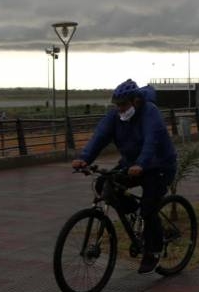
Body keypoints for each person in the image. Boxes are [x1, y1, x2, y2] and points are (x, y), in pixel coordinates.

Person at [72, 79, 177, 275]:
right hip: (131, 165)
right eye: (117, 105)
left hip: (159, 165)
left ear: (136, 101)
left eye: (123, 105)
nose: (119, 109)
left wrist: (141, 163)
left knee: (149, 208)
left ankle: (153, 251)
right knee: (104, 184)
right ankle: (135, 210)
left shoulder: (150, 112)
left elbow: (151, 141)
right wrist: (84, 158)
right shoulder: (115, 116)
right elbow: (100, 136)